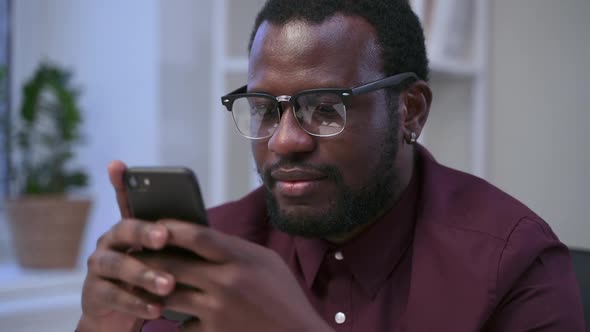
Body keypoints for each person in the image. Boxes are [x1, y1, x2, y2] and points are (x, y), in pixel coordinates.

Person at [76, 0, 586, 331]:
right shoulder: (217, 248)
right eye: (263, 109)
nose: (285, 140)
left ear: (410, 111)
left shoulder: (514, 262)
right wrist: (100, 324)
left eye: (325, 108)